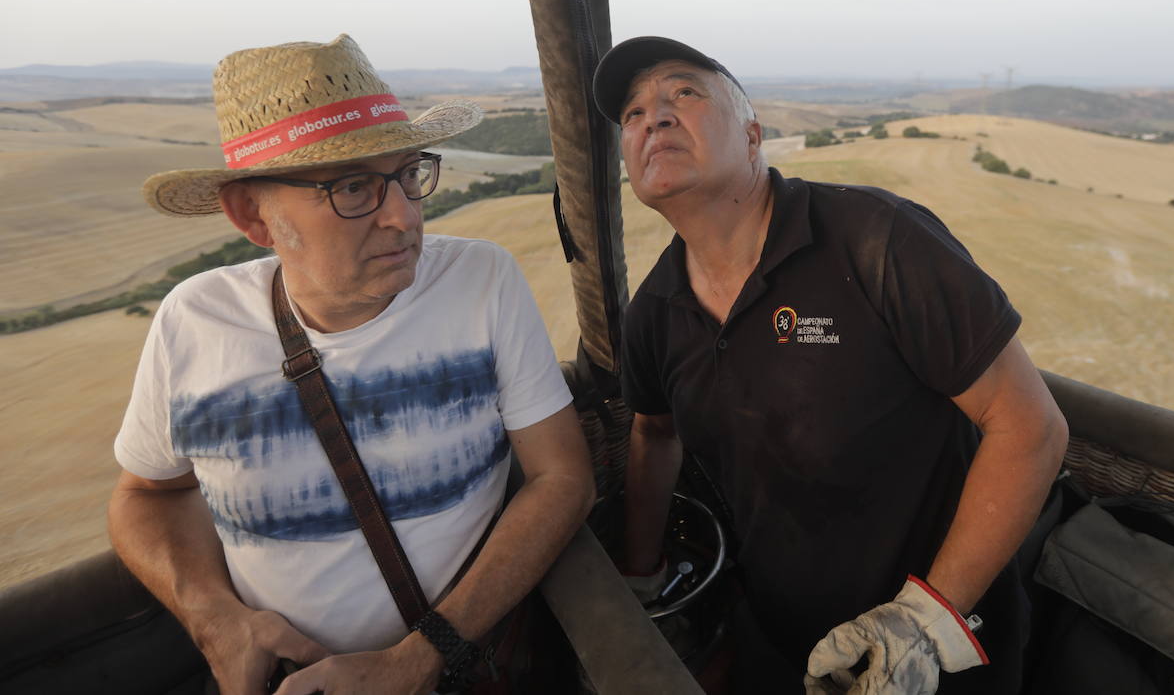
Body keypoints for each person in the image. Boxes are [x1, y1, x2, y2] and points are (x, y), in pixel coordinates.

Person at [109, 34, 595, 695]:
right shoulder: (193, 323)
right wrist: (216, 620)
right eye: (352, 187)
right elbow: (145, 495)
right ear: (254, 213)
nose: (403, 215)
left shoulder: (482, 282)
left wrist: (419, 657)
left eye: (408, 174)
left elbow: (562, 475)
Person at [597, 37, 1069, 694]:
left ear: (754, 136)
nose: (656, 117)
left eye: (684, 93)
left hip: (946, 646)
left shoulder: (878, 241)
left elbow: (1029, 428)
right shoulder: (655, 310)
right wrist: (641, 576)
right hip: (780, 638)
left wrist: (923, 625)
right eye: (633, 114)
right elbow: (653, 432)